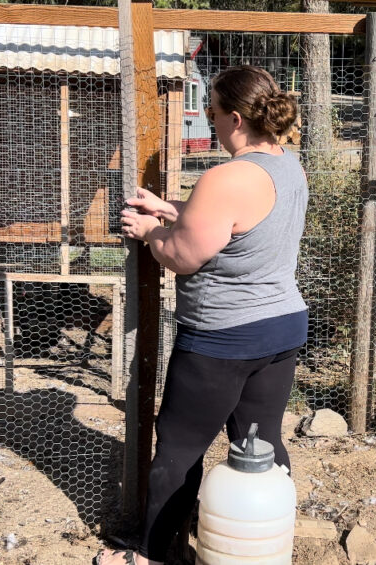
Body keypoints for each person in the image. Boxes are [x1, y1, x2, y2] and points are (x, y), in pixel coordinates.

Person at [95, 65, 309, 565]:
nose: (209, 120)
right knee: (261, 442)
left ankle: (150, 556)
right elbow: (237, 224)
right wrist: (171, 208)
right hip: (281, 327)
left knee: (179, 448)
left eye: (212, 112)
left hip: (223, 337)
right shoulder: (289, 164)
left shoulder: (225, 176)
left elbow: (183, 255)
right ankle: (266, 541)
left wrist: (150, 233)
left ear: (235, 118)